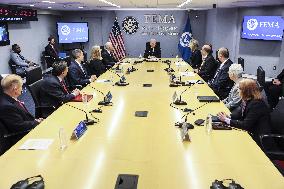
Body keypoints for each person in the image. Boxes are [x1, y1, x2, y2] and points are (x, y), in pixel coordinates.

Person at [217, 79, 271, 146]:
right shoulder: (247, 99)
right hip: (250, 132)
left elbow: (245, 125)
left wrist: (226, 120)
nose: (238, 91)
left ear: (246, 91)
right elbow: (240, 114)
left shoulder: (257, 104)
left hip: (258, 139)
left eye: (239, 89)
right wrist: (229, 116)